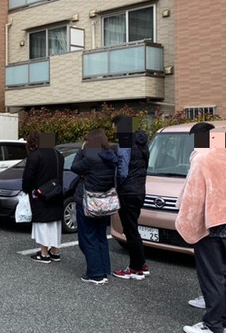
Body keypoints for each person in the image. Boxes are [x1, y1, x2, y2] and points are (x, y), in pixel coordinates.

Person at [177, 126, 226, 333]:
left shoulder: (202, 158)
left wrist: (187, 225)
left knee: (212, 275)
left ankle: (213, 327)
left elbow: (193, 197)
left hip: (211, 224)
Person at [71, 129, 119, 285]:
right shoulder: (111, 157)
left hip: (89, 203)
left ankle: (95, 274)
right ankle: (104, 270)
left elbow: (74, 167)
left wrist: (81, 150)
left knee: (88, 238)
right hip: (104, 203)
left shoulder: (90, 157)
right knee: (100, 237)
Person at [111, 116, 150, 280]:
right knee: (133, 228)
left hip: (127, 190)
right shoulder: (142, 142)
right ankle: (141, 264)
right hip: (139, 189)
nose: (113, 130)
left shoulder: (125, 141)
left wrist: (117, 185)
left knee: (130, 230)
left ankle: (135, 268)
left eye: (114, 126)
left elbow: (122, 169)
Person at [22, 131, 64, 263]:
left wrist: (26, 189)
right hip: (56, 193)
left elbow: (28, 177)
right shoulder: (58, 155)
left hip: (40, 194)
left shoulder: (35, 155)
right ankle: (54, 252)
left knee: (42, 223)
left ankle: (44, 254)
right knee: (55, 223)